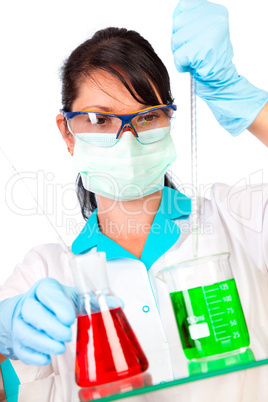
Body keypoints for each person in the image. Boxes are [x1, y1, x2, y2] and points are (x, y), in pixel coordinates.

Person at [0, 0, 268, 400]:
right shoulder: (43, 274)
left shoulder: (241, 219)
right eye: (99, 120)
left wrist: (246, 102)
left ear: (169, 120)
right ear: (67, 132)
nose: (127, 138)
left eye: (147, 116)